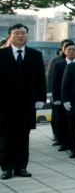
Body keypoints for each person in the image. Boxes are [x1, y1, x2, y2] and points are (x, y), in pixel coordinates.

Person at [0, 24, 46, 180]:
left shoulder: (35, 55)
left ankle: (21, 167)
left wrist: (40, 98)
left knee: (23, 136)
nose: (20, 35)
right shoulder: (2, 54)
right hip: (5, 104)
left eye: (23, 33)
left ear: (27, 36)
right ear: (10, 36)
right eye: (16, 33)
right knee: (6, 137)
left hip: (27, 103)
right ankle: (6, 168)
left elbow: (41, 79)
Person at [46, 39, 74, 145]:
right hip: (58, 94)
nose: (71, 51)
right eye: (67, 48)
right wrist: (50, 93)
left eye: (73, 49)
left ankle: (70, 139)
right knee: (58, 117)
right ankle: (58, 137)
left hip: (73, 94)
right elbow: (50, 77)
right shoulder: (56, 61)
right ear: (63, 48)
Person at [51, 42, 75, 151]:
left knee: (73, 123)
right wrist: (56, 98)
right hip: (61, 98)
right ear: (64, 51)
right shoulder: (59, 64)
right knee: (61, 121)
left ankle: (73, 143)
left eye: (73, 49)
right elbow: (55, 82)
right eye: (69, 49)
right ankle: (62, 142)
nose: (71, 51)